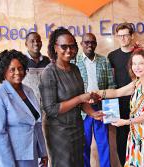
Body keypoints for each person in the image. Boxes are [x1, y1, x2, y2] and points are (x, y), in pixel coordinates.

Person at [39, 27, 103, 167]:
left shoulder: (75, 69)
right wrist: (80, 98)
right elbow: (51, 109)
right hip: (58, 132)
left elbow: (81, 100)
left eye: (72, 46)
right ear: (55, 48)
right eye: (64, 46)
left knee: (79, 163)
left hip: (77, 127)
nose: (69, 50)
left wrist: (93, 113)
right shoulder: (49, 73)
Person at [98, 49, 144, 167]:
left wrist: (126, 122)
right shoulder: (136, 83)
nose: (137, 67)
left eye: (141, 63)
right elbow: (116, 93)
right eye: (134, 63)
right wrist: (95, 94)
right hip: (134, 136)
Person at [0, 50, 48, 167]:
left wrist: (43, 152)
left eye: (20, 68)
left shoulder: (28, 91)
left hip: (30, 154)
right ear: (3, 71)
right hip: (10, 157)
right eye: (12, 69)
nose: (18, 72)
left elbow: (36, 124)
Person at [74, 33, 115, 167]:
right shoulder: (74, 62)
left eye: (92, 42)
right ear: (81, 44)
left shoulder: (104, 60)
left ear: (96, 44)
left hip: (101, 108)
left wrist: (110, 111)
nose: (90, 45)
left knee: (104, 143)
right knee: (84, 144)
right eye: (86, 42)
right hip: (82, 109)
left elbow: (112, 85)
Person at [107, 22, 134, 166]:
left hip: (137, 103)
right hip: (119, 104)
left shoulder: (139, 54)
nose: (123, 38)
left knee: (138, 136)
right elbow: (110, 82)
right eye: (120, 36)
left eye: (125, 35)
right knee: (121, 139)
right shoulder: (112, 56)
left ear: (131, 36)